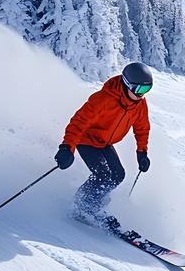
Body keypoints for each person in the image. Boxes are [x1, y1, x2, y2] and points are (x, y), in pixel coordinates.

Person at [55, 62, 153, 224]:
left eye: (147, 89)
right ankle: (81, 206)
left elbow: (142, 128)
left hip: (105, 143)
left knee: (118, 175)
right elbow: (78, 122)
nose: (141, 95)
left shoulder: (139, 104)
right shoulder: (103, 99)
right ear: (127, 84)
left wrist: (142, 152)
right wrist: (67, 147)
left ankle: (93, 201)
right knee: (103, 175)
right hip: (87, 140)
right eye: (139, 89)